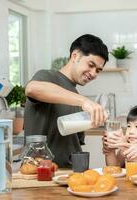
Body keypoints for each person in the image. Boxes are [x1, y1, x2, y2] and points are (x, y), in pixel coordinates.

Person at [24, 34, 109, 167]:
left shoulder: (74, 93)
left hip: (70, 172)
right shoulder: (48, 76)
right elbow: (32, 88)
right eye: (91, 65)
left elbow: (74, 142)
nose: (93, 74)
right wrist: (85, 101)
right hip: (43, 173)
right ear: (75, 56)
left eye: (98, 70)